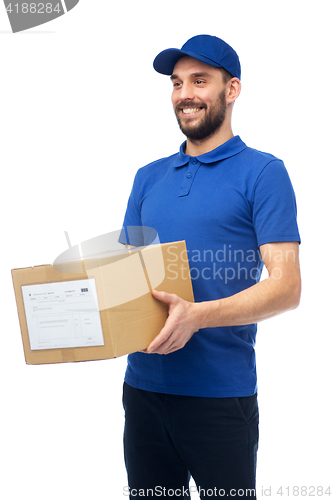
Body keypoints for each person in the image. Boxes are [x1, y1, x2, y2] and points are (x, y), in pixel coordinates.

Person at [120, 34, 301, 499]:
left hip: (220, 398)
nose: (185, 95)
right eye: (177, 83)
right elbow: (125, 279)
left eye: (200, 81)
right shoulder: (148, 177)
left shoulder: (263, 172)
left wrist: (198, 316)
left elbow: (287, 287)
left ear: (232, 89)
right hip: (142, 392)